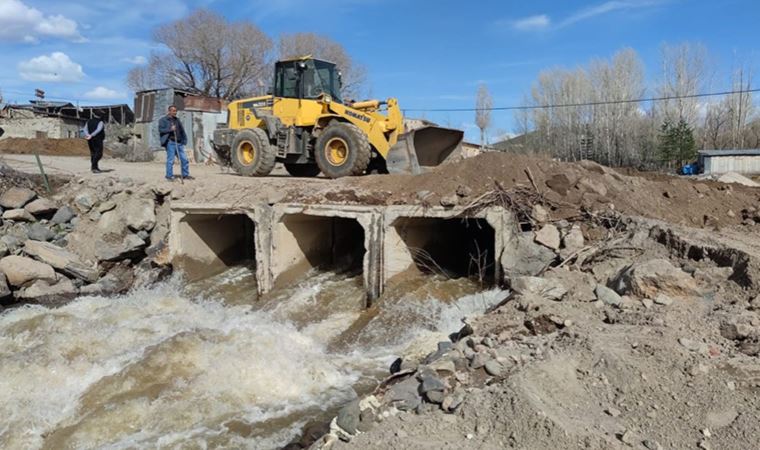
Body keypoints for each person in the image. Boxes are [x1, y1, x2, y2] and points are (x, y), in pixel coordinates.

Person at [158, 105, 193, 181]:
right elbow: (161, 130)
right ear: (169, 111)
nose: (175, 112)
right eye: (173, 111)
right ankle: (169, 176)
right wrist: (170, 129)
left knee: (184, 159)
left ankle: (185, 175)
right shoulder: (163, 120)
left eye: (176, 111)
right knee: (171, 160)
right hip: (170, 142)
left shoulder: (177, 120)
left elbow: (181, 130)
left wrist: (184, 139)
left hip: (179, 143)